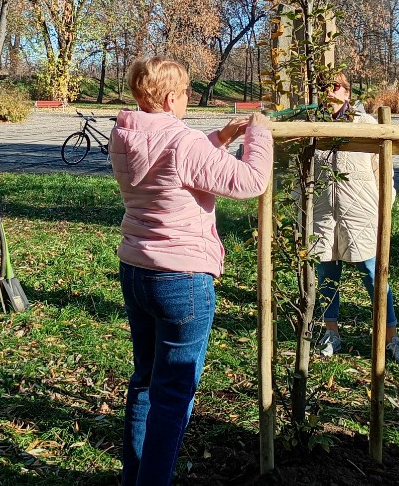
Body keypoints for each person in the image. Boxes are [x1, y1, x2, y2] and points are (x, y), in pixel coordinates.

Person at [110, 57, 273, 486]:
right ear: (169, 98)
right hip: (181, 277)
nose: (186, 100)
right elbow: (252, 180)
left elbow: (169, 160)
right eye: (183, 93)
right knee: (174, 393)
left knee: (145, 381)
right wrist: (259, 132)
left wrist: (218, 138)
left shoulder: (125, 134)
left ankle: (135, 478)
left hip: (136, 268)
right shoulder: (183, 143)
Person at [313, 71, 399, 367]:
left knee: (374, 275)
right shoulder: (311, 126)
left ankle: (390, 337)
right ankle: (331, 334)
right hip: (323, 213)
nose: (328, 92)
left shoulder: (366, 125)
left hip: (361, 212)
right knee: (326, 277)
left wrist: (385, 205)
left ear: (347, 91)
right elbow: (298, 172)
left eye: (334, 87)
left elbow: (384, 171)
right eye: (322, 87)